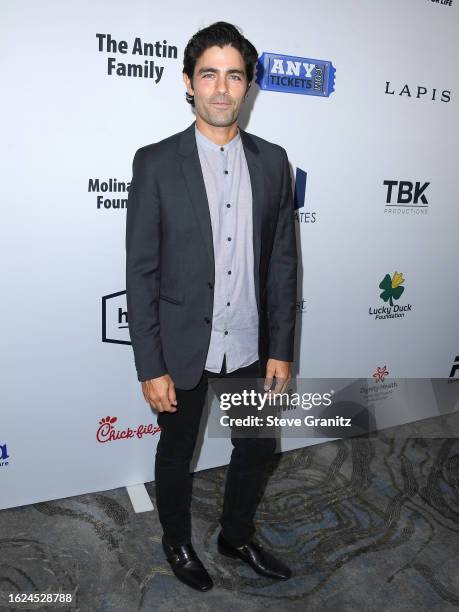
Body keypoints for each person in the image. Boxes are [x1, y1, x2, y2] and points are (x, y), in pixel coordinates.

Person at [125, 21, 298, 591]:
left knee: (255, 449)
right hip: (182, 344)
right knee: (177, 451)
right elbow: (142, 271)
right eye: (209, 74)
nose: (222, 88)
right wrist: (149, 364)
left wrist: (281, 349)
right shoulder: (154, 162)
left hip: (250, 340)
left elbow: (281, 263)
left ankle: (236, 535)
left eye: (234, 75)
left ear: (248, 86)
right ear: (188, 83)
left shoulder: (274, 163)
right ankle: (177, 541)